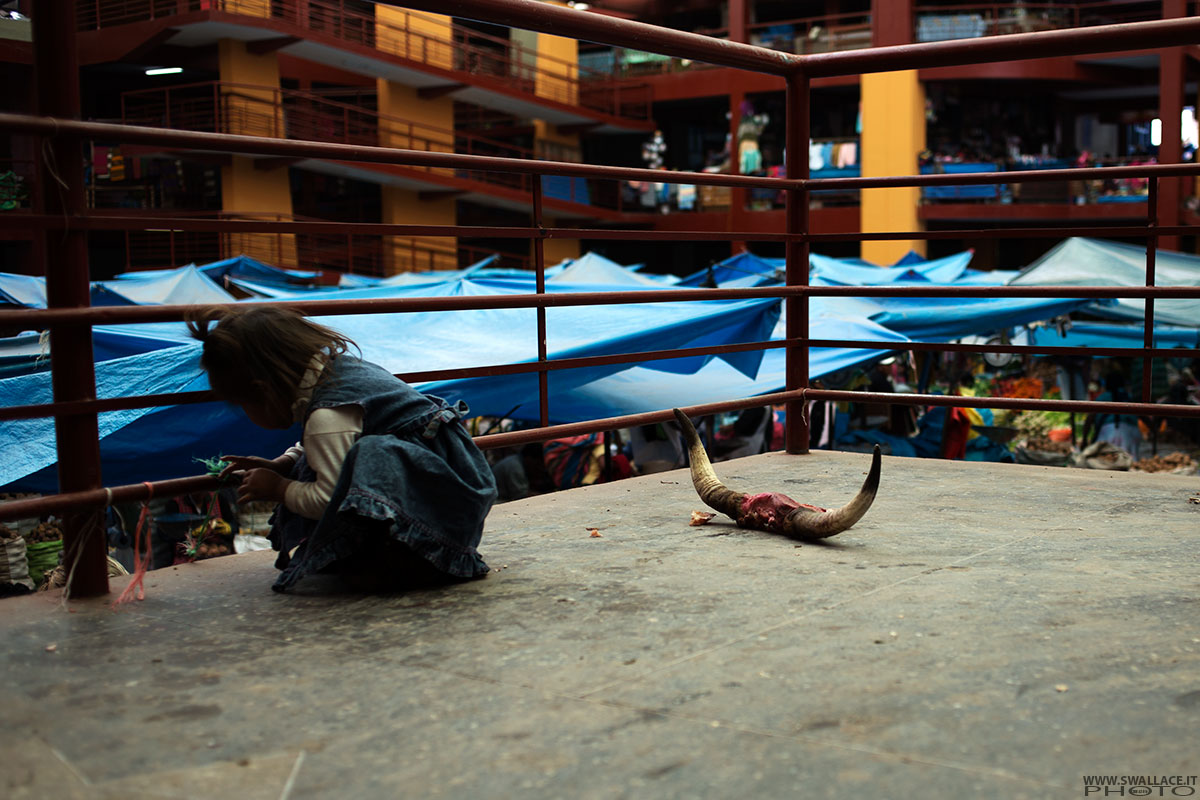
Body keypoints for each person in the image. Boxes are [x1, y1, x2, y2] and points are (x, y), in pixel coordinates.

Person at [186, 306, 498, 593]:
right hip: (447, 495)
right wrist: (284, 463)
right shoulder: (336, 375)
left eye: (243, 405)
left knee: (372, 454)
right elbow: (328, 445)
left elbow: (327, 499)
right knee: (364, 455)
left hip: (443, 515)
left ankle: (410, 562)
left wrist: (280, 489)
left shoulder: (328, 414)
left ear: (262, 391)